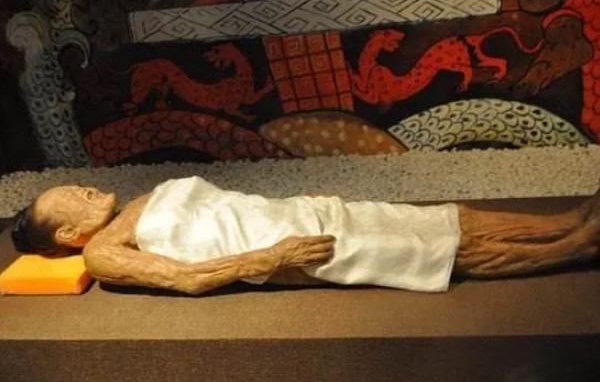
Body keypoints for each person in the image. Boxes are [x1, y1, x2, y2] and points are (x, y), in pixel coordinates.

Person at [11, 176, 600, 295]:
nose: (83, 189)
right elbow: (186, 277)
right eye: (71, 199)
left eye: (76, 185)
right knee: (445, 251)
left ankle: (567, 222)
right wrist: (269, 258)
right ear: (67, 233)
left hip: (304, 212)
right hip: (292, 248)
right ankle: (580, 247)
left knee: (446, 219)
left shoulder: (142, 200)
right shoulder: (104, 252)